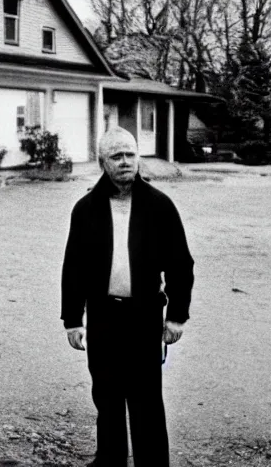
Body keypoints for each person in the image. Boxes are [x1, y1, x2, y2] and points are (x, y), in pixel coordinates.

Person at [61, 126, 195, 467]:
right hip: (103, 315)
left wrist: (177, 316)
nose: (125, 162)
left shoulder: (159, 206)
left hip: (144, 315)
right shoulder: (86, 209)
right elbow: (73, 267)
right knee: (106, 396)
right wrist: (73, 319)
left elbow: (181, 264)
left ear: (139, 157)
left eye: (130, 154)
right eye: (116, 156)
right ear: (103, 162)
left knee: (146, 400)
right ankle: (110, 460)